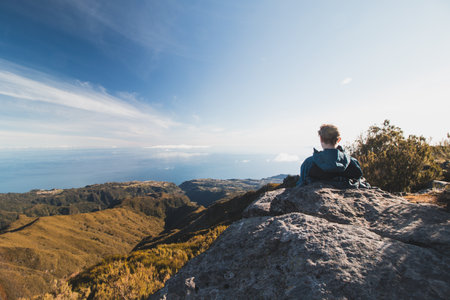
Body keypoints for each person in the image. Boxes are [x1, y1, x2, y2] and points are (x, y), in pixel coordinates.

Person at [297, 124, 363, 187]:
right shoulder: (353, 162)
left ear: (321, 139)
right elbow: (359, 181)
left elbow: (301, 185)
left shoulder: (309, 163)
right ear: (339, 139)